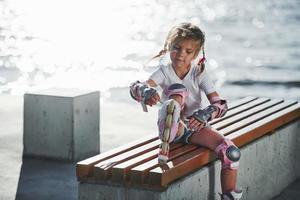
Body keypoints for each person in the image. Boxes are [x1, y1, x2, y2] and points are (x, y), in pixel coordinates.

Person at [129, 22, 242, 200]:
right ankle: (168, 128)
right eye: (177, 48)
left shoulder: (199, 74)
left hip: (194, 127)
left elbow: (220, 104)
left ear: (196, 54)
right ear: (169, 47)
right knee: (178, 90)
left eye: (189, 51)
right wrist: (145, 92)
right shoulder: (164, 72)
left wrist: (204, 114)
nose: (182, 54)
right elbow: (136, 86)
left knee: (230, 152)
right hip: (172, 128)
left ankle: (229, 196)